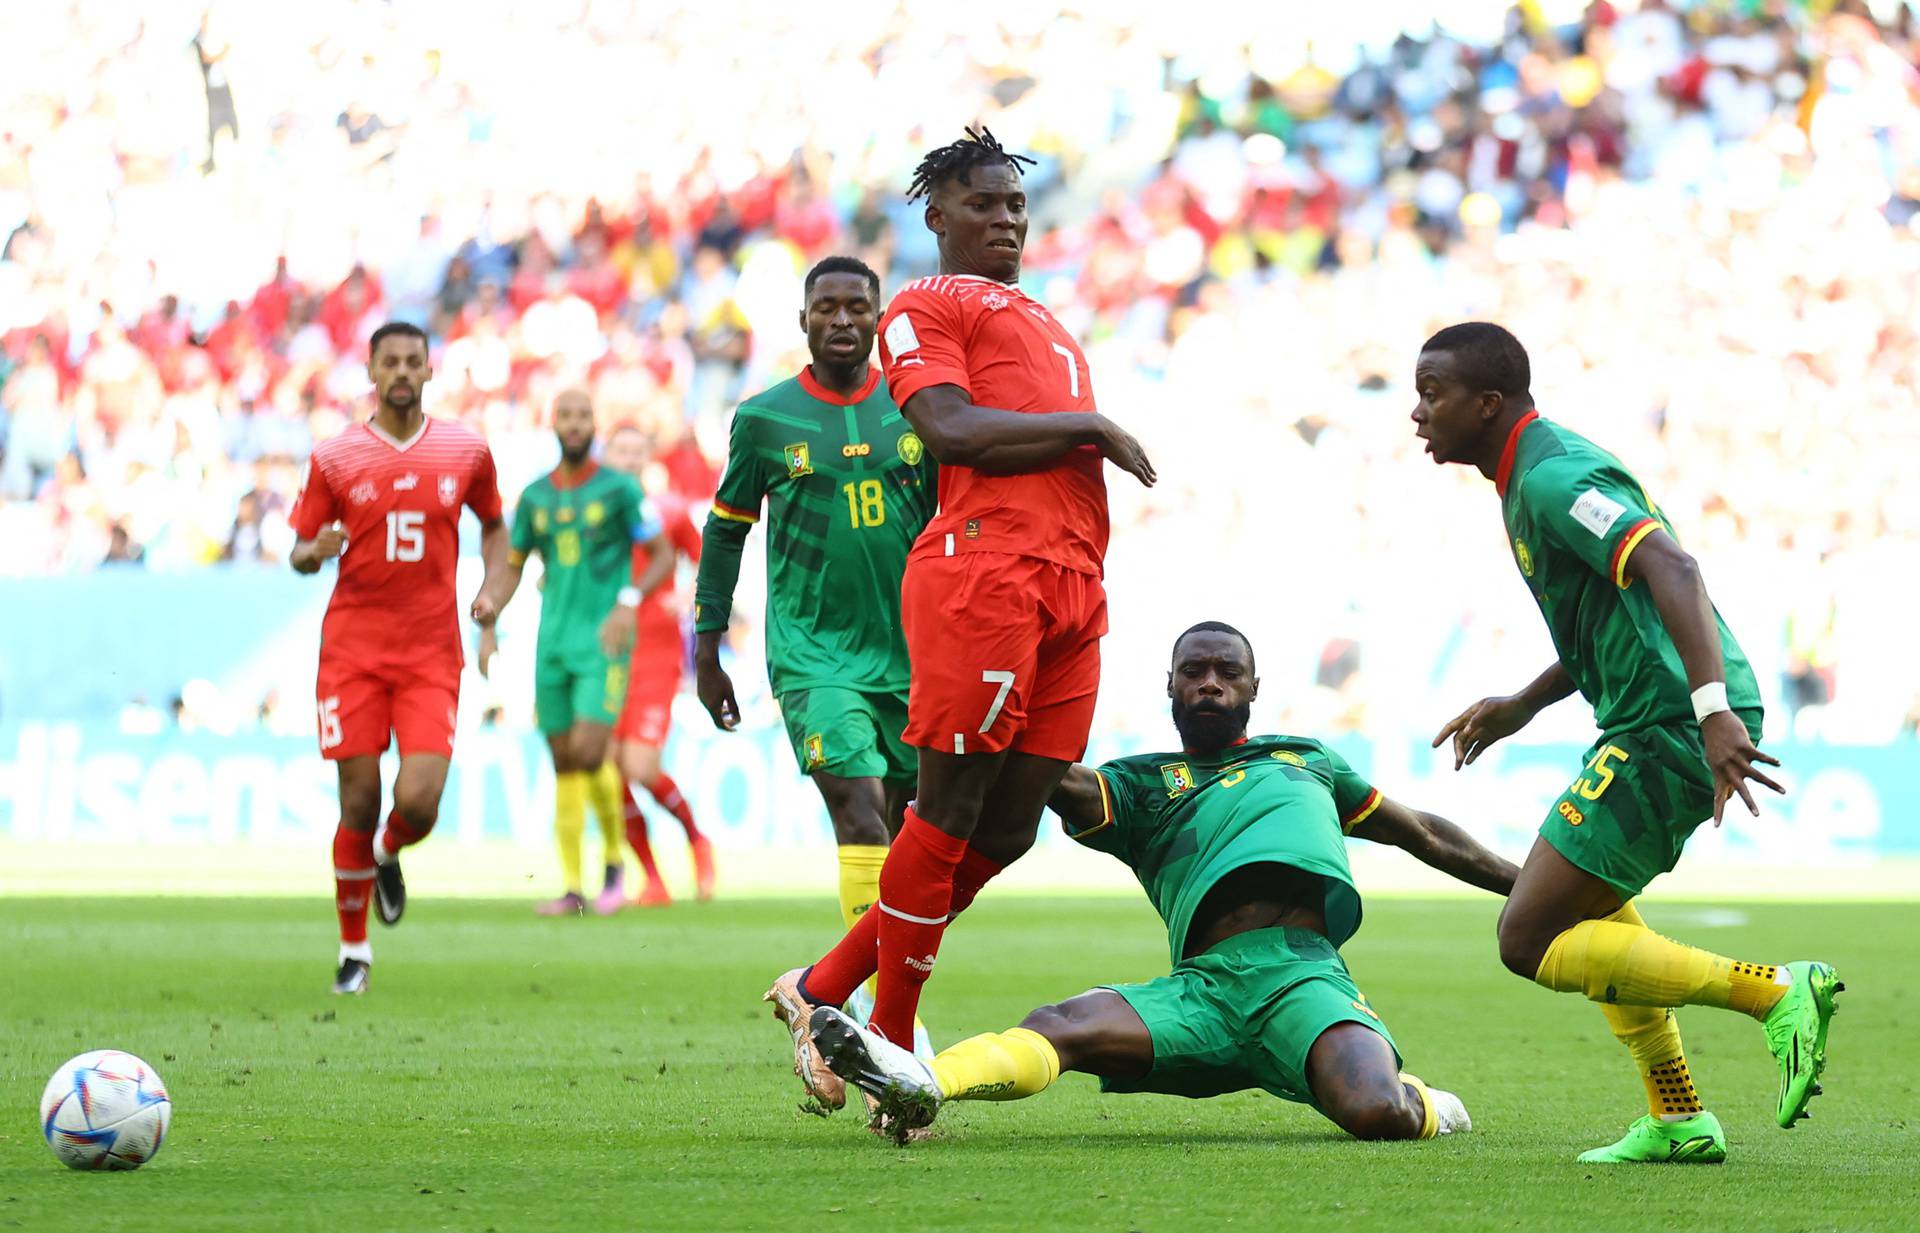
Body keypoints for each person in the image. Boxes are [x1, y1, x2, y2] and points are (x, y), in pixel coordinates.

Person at [764, 130, 1156, 1109]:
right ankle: (891, 1049)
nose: (1007, 220)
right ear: (938, 217)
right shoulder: (922, 306)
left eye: (1016, 207)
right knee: (941, 812)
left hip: (1072, 588)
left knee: (1010, 827)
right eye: (984, 206)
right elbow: (944, 427)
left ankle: (819, 991)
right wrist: (1090, 426)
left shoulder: (1045, 320)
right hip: (985, 573)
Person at [808, 623, 1515, 1143]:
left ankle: (1425, 1101)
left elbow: (1421, 830)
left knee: (1377, 1114)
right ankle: (920, 1082)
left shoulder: (1306, 759)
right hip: (1201, 991)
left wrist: (1529, 885)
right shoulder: (1140, 785)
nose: (1210, 681)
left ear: (1253, 688)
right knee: (1061, 1025)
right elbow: (1047, 773)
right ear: (1170, 685)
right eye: (1194, 670)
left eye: (1227, 671)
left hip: (1304, 979)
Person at [1412, 321, 1842, 1164]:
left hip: (1668, 723)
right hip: (1653, 715)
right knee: (1593, 906)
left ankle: (1778, 993)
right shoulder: (1525, 477)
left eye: (1433, 394)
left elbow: (1672, 570)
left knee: (1526, 937)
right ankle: (1677, 1114)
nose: (1418, 413)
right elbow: (1611, 615)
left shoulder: (1552, 476)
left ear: (1488, 402)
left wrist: (1711, 709)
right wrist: (1524, 703)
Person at [694, 255, 938, 1063]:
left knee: (912, 842)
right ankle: (880, 1020)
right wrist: (708, 643)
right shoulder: (766, 418)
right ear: (803, 321)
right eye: (825, 307)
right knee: (861, 815)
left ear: (877, 318)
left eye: (856, 306)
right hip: (815, 656)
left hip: (914, 656)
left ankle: (826, 992)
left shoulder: (917, 406)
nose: (841, 319)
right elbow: (725, 527)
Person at [289, 321, 512, 995]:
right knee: (358, 798)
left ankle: (388, 852)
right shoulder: (335, 457)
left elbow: (496, 525)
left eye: (414, 361)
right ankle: (353, 950)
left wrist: (490, 594)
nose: (403, 373)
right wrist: (316, 550)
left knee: (418, 798)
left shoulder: (465, 450)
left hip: (429, 648)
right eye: (391, 362)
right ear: (372, 370)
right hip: (352, 647)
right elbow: (299, 549)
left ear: (429, 369)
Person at [476, 389, 672, 916]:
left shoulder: (620, 490)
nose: (576, 423)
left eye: (584, 414)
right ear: (554, 423)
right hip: (553, 645)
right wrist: (489, 616)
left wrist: (629, 601)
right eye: (566, 415)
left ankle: (612, 866)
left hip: (603, 643)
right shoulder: (537, 497)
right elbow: (513, 563)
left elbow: (661, 554)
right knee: (564, 760)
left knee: (590, 752)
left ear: (594, 424)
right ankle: (571, 886)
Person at [603, 423, 712, 909]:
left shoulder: (667, 511)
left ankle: (696, 839)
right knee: (610, 770)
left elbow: (709, 561)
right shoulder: (593, 516)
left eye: (635, 452)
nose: (626, 460)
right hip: (603, 656)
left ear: (647, 458)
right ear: (607, 458)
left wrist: (688, 596)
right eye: (618, 452)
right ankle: (651, 878)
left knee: (640, 764)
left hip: (654, 654)